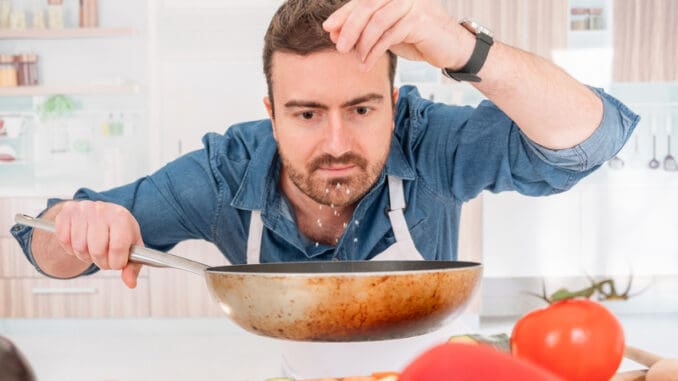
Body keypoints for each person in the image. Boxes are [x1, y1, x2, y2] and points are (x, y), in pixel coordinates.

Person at [11, 0, 638, 378]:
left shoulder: (427, 140)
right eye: (307, 113)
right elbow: (44, 246)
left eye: (362, 110)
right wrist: (80, 223)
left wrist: (466, 49)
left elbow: (591, 140)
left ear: (394, 106)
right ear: (272, 111)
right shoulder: (225, 171)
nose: (337, 141)